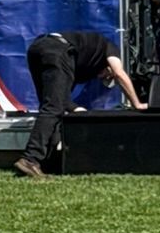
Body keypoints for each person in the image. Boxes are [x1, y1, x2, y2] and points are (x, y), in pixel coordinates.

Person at [15, 30, 143, 179]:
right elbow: (120, 73)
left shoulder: (79, 65)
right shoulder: (111, 48)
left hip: (38, 49)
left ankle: (46, 163)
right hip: (59, 49)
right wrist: (136, 103)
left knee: (50, 106)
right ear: (109, 67)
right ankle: (30, 159)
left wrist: (77, 109)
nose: (102, 77)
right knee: (52, 109)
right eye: (107, 75)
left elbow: (63, 100)